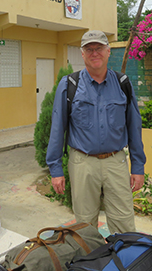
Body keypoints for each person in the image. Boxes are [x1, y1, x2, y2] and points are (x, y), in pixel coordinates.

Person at [46, 30, 146, 234]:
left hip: (115, 161)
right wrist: (56, 170)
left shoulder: (123, 84)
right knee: (84, 225)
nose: (94, 53)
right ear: (82, 54)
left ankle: (123, 262)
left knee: (124, 222)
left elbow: (134, 126)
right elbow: (57, 128)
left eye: (99, 48)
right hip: (82, 163)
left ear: (108, 52)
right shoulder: (69, 85)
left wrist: (138, 166)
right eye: (89, 49)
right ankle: (89, 263)